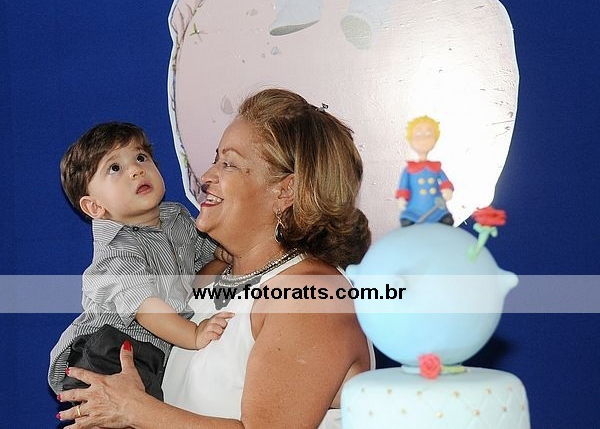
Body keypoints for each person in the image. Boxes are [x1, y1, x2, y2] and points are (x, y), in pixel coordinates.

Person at [56, 89, 374, 428]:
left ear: (286, 191)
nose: (207, 176)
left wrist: (135, 409)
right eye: (215, 159)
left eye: (229, 164)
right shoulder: (204, 286)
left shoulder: (312, 295)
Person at [49, 122, 232, 400]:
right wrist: (194, 335)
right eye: (115, 168)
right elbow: (146, 310)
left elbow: (197, 282)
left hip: (155, 351)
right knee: (134, 410)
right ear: (94, 206)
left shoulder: (178, 219)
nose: (136, 169)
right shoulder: (115, 251)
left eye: (141, 157)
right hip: (108, 351)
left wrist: (221, 258)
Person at [395, 115, 454, 227]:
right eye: (418, 135)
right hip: (414, 208)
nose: (423, 140)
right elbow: (403, 187)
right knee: (408, 222)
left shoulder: (436, 168)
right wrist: (402, 198)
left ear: (435, 139)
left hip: (436, 208)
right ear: (410, 140)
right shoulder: (409, 169)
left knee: (446, 221)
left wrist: (447, 190)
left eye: (428, 135)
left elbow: (445, 182)